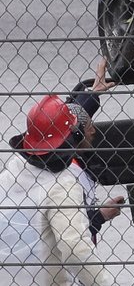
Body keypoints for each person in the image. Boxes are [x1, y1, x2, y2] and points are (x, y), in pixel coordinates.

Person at [0, 87, 118, 285]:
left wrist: (92, 94)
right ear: (75, 136)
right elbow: (74, 248)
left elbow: (58, 122)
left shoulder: (11, 172)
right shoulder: (63, 184)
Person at [67, 57, 125, 246]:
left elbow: (69, 118)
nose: (94, 131)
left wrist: (93, 93)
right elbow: (68, 231)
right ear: (76, 135)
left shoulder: (62, 157)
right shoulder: (69, 176)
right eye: (89, 127)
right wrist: (100, 216)